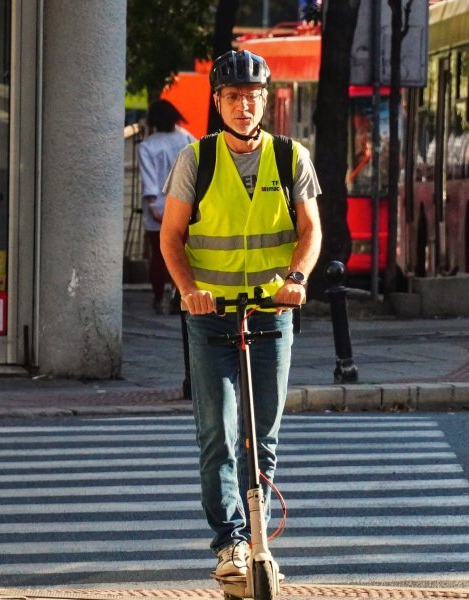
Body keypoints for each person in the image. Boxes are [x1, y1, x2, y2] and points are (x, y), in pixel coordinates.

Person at [158, 49, 322, 579]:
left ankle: (258, 539)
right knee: (219, 432)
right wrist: (189, 290)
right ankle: (229, 543)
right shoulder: (196, 160)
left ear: (266, 100)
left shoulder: (290, 157)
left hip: (271, 313)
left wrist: (296, 279)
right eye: (234, 97)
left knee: (263, 434)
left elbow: (311, 230)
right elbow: (171, 237)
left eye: (253, 96)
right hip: (211, 316)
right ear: (218, 103)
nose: (245, 105)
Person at [137, 99, 196, 314]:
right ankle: (179, 293)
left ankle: (159, 296)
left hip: (159, 210)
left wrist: (154, 206)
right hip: (186, 207)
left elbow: (149, 179)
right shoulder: (188, 139)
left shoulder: (147, 146)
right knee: (183, 253)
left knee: (160, 255)